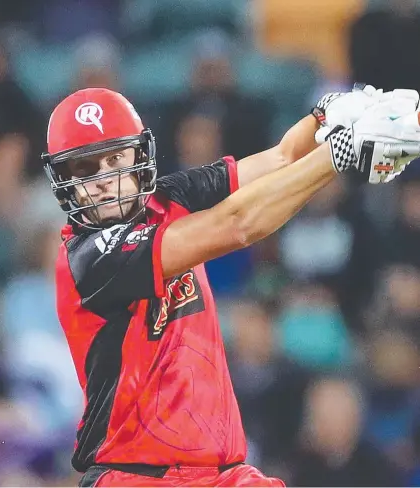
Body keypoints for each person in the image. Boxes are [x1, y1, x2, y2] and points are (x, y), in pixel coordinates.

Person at [41, 86, 420, 487]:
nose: (106, 179)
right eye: (85, 169)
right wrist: (338, 155)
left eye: (115, 158)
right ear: (63, 180)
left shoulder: (168, 199)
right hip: (135, 476)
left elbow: (282, 157)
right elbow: (236, 225)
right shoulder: (86, 259)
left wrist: (323, 117)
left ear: (139, 156)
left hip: (225, 475)